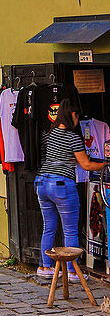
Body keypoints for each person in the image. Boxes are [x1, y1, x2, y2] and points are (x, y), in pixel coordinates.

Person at [34, 98, 106, 281]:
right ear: (72, 115)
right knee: (70, 231)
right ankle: (72, 272)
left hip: (42, 183)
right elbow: (87, 165)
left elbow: (57, 158)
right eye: (77, 116)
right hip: (61, 185)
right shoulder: (73, 138)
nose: (77, 119)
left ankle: (44, 267)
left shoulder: (49, 134)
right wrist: (104, 164)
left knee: (48, 227)